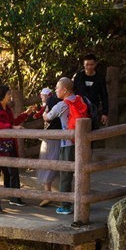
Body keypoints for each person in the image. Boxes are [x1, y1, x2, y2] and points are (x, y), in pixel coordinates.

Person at [42, 77, 90, 215]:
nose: (56, 90)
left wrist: (44, 111)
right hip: (83, 143)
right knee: (82, 172)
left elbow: (47, 117)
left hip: (67, 143)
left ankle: (65, 205)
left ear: (64, 90)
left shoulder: (61, 105)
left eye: (57, 88)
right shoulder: (82, 99)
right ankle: (83, 201)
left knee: (65, 174)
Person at [0, 84, 33, 208]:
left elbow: (14, 122)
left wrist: (26, 114)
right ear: (2, 96)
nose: (10, 96)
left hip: (9, 145)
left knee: (14, 172)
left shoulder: (7, 109)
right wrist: (11, 127)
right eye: (8, 94)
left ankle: (15, 198)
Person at [37, 86, 61, 201]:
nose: (41, 97)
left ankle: (47, 192)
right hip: (52, 135)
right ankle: (47, 191)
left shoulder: (53, 103)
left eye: (43, 95)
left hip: (52, 136)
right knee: (48, 160)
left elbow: (47, 117)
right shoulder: (55, 103)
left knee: (49, 160)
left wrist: (44, 115)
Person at [73, 54, 109, 128]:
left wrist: (105, 113)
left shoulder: (100, 78)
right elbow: (73, 92)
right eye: (87, 65)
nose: (89, 67)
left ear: (95, 64)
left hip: (94, 109)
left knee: (93, 129)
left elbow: (104, 95)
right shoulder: (79, 77)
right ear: (83, 64)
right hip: (79, 109)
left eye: (91, 64)